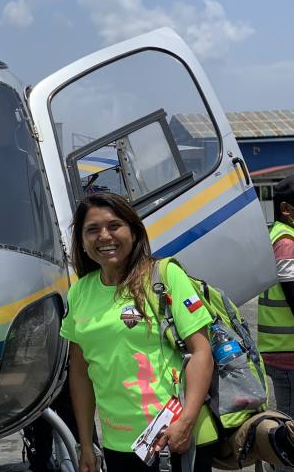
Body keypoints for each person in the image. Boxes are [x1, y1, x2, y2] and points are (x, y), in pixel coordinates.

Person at [62, 192, 217, 471]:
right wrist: (86, 443)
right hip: (117, 444)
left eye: (114, 226)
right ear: (82, 241)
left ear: (134, 232)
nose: (104, 236)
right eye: (93, 230)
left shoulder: (165, 276)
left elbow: (201, 351)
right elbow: (80, 371)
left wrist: (187, 421)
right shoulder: (78, 293)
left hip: (173, 437)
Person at [259, 175, 294, 472]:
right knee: (289, 425)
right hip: (287, 352)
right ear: (286, 208)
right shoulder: (285, 242)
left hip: (282, 350)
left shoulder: (281, 235)